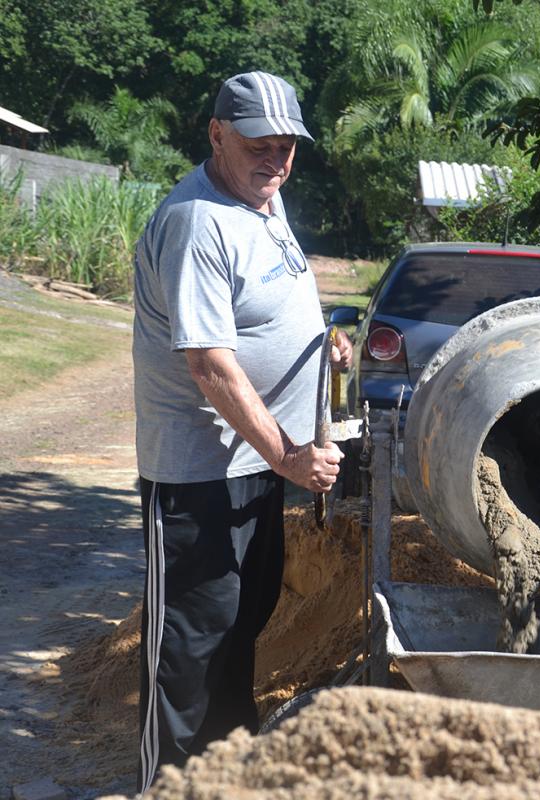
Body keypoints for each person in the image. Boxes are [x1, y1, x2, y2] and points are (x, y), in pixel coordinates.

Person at [131, 71, 352, 791]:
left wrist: (321, 343)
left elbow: (263, 303)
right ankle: (170, 785)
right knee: (190, 655)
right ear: (217, 134)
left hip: (251, 469)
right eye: (261, 144)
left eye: (288, 147)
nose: (278, 161)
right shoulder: (197, 221)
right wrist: (288, 454)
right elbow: (210, 363)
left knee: (238, 631)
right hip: (199, 477)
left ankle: (224, 778)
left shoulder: (262, 195)